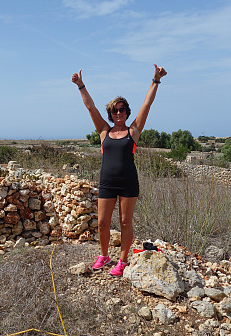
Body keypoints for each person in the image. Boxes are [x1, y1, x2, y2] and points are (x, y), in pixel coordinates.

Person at [71, 64, 167, 276]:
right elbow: (90, 108)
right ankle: (104, 256)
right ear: (110, 114)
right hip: (107, 182)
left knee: (125, 222)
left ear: (127, 112)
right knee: (103, 223)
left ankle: (122, 261)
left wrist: (156, 80)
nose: (118, 113)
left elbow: (147, 105)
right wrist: (80, 85)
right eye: (115, 110)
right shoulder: (104, 131)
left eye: (122, 109)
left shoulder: (133, 131)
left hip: (128, 183)